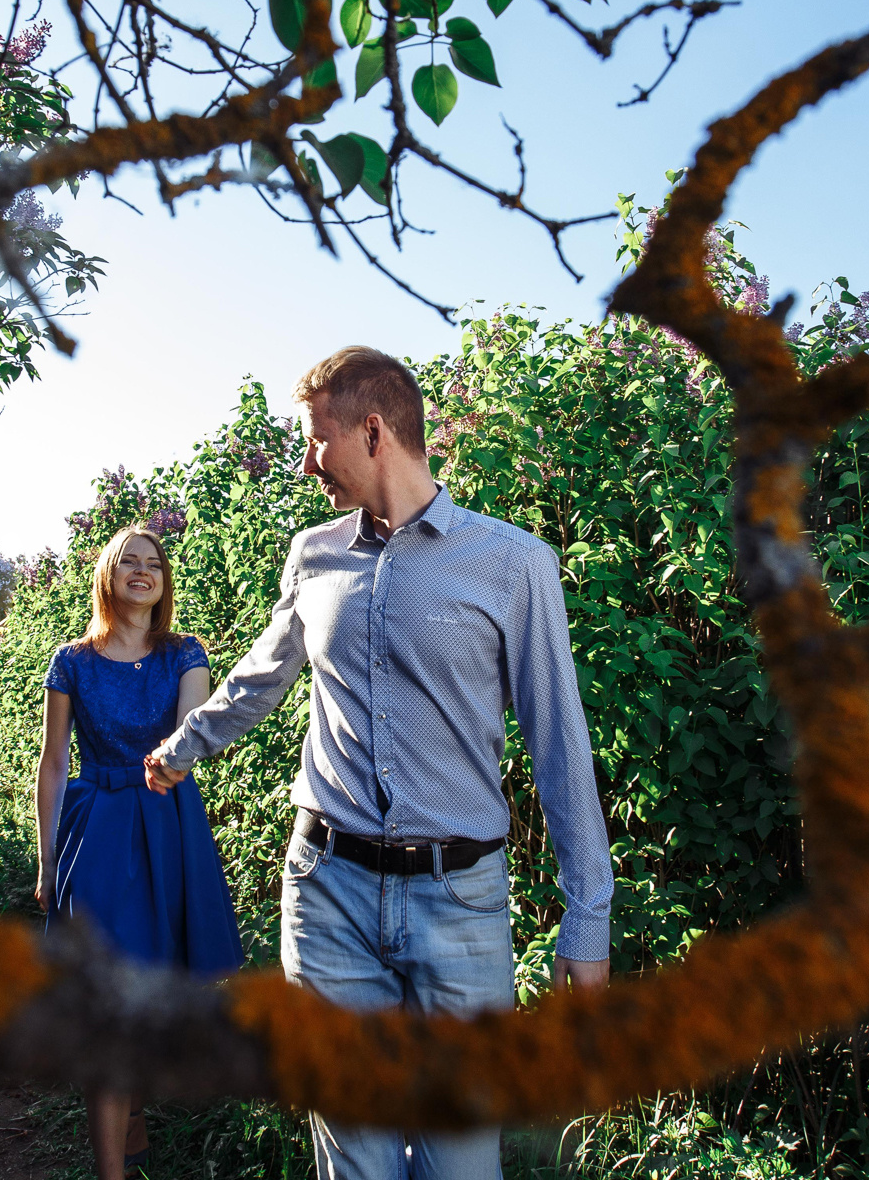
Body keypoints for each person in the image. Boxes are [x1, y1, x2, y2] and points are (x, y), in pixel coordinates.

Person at [144, 346, 613, 1180]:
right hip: (328, 892)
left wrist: (588, 919)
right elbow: (262, 677)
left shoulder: (514, 565)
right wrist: (183, 749)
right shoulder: (312, 554)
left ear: (372, 431)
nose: (305, 461)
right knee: (353, 1158)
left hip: (459, 904)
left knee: (460, 1161)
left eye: (315, 439)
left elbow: (559, 746)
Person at [37, 525, 243, 1180]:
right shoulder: (71, 660)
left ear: (164, 581)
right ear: (107, 574)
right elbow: (52, 763)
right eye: (128, 560)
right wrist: (46, 861)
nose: (142, 570)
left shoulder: (185, 653)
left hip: (167, 822)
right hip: (96, 831)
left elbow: (193, 725)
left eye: (153, 562)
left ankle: (134, 1118)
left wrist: (174, 755)